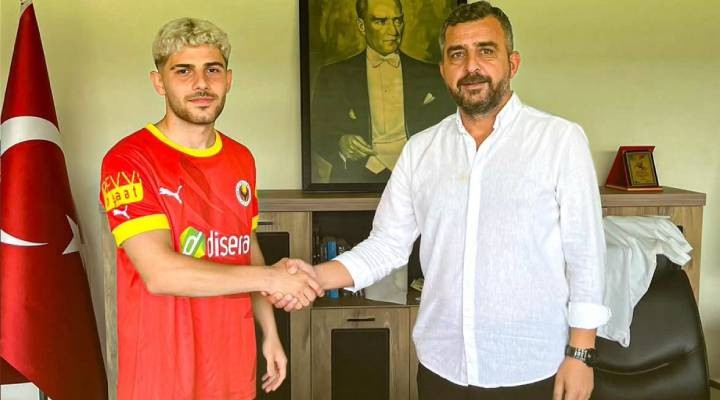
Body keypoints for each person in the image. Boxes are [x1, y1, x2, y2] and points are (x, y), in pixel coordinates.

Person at [275, 2, 610, 399]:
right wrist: (313, 278)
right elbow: (387, 244)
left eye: (486, 51)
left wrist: (581, 354)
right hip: (442, 366)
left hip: (532, 366)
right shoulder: (422, 150)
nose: (471, 66)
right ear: (443, 70)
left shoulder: (559, 140)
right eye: (457, 54)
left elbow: (585, 254)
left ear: (513, 63)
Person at [99, 18, 321, 400]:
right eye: (183, 71)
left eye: (212, 70)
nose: (201, 83)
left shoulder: (240, 157)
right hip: (162, 373)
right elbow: (160, 273)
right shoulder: (128, 160)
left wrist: (269, 332)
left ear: (228, 80)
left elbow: (246, 247)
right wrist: (272, 279)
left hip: (233, 365)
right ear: (159, 82)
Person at [310, 0, 456, 183]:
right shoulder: (333, 76)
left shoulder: (434, 75)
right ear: (362, 26)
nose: (393, 31)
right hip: (357, 179)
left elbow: (452, 129)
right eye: (381, 21)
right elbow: (316, 131)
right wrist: (340, 143)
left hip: (419, 178)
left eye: (397, 20)